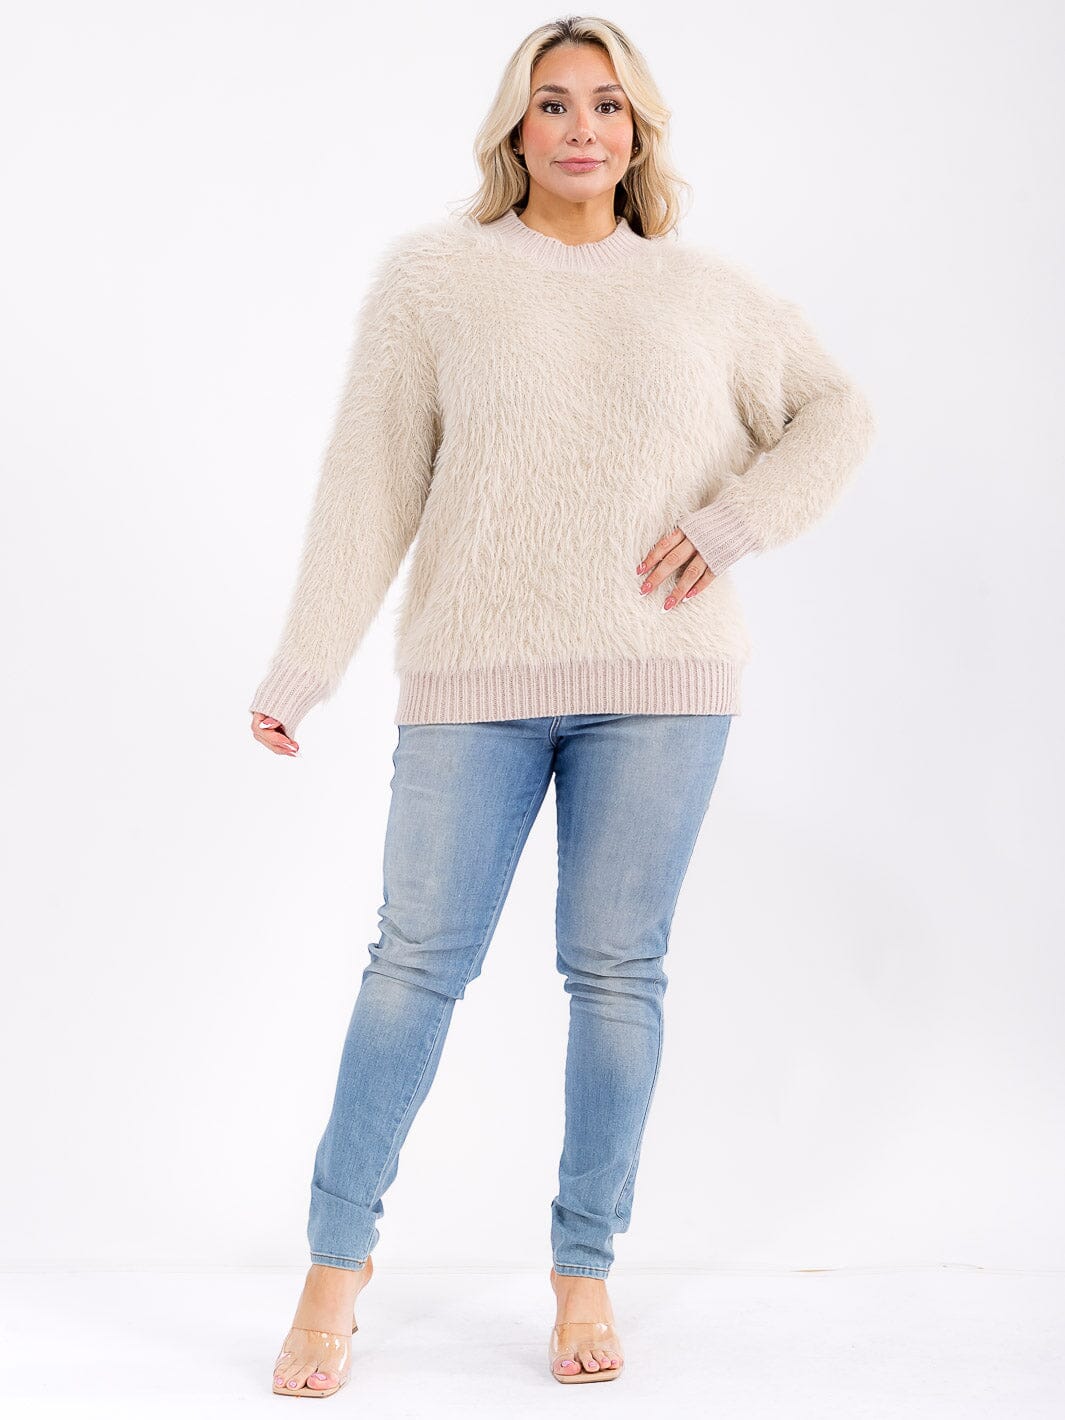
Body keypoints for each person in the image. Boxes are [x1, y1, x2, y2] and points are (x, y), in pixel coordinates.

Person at [250, 16, 875, 1397]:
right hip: (472, 681)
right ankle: (334, 1268)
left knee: (616, 975)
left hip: (662, 684)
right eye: (552, 103)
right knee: (412, 968)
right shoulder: (435, 281)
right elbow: (369, 483)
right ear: (514, 127)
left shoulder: (709, 294)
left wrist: (732, 523)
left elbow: (837, 412)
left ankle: (583, 1269)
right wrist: (306, 667)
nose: (581, 126)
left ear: (639, 131)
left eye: (606, 103)